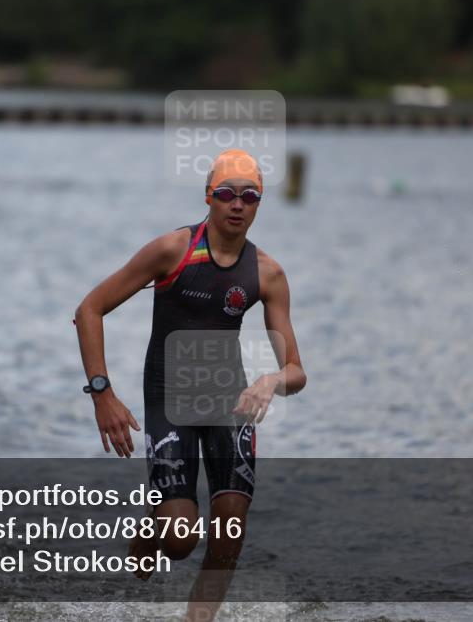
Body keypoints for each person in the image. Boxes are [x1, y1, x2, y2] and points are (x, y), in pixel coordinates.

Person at [74, 149, 306, 620]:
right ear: (208, 197)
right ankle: (154, 529)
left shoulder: (268, 274)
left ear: (259, 204)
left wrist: (272, 380)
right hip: (170, 401)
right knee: (181, 541)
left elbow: (297, 370)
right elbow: (89, 310)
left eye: (249, 196)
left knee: (229, 533)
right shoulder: (172, 251)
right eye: (226, 194)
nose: (237, 204)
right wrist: (103, 393)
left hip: (230, 405)